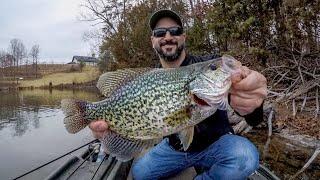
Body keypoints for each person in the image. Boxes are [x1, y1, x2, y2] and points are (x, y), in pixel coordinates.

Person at [89, 9, 267, 180]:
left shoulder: (207, 66)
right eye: (160, 33)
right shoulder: (148, 79)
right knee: (140, 173)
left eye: (175, 31)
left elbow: (254, 119)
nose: (168, 37)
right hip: (174, 150)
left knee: (247, 157)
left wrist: (254, 105)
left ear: (183, 36)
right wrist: (109, 132)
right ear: (153, 40)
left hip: (216, 145)